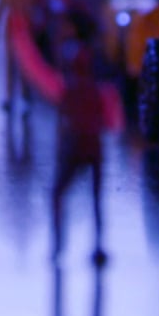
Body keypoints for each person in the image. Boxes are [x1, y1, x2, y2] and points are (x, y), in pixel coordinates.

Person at [51, 44, 112, 266]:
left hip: (75, 146)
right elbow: (105, 120)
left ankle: (58, 245)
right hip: (94, 147)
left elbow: (63, 123)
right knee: (96, 199)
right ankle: (98, 246)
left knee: (58, 194)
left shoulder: (70, 90)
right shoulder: (96, 90)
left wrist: (60, 152)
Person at [0, 0, 39, 112]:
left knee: (26, 66)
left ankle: (26, 97)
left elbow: (37, 12)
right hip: (12, 32)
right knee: (10, 65)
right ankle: (9, 97)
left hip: (26, 32)